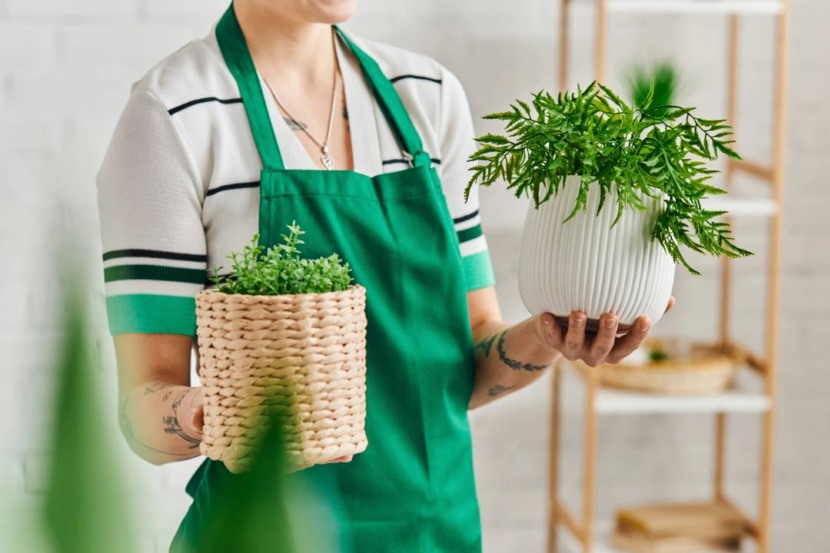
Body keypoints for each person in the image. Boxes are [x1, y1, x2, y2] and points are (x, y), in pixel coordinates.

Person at [96, 0, 673, 551]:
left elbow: (468, 357)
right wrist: (222, 417)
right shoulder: (174, 114)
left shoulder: (427, 98)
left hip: (433, 532)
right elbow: (142, 407)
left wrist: (549, 336)